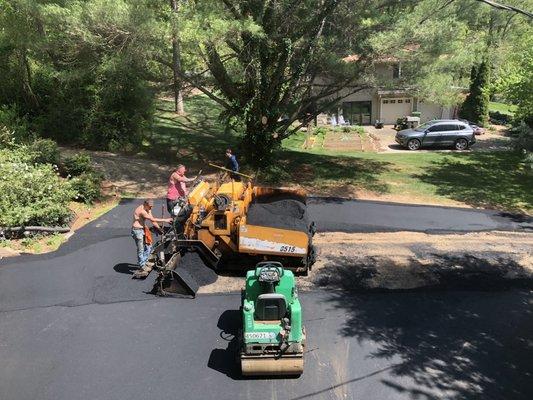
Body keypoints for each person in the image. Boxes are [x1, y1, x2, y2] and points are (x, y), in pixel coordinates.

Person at [131, 199, 172, 279]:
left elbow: (153, 221)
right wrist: (165, 220)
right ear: (145, 204)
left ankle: (144, 261)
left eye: (152, 207)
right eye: (150, 207)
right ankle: (142, 266)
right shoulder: (141, 211)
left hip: (142, 229)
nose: (151, 209)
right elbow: (152, 219)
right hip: (137, 231)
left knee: (149, 246)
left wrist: (160, 229)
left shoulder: (147, 209)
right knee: (141, 249)